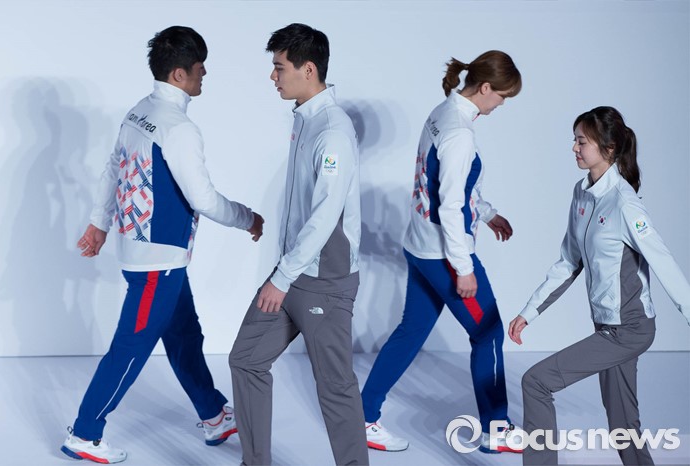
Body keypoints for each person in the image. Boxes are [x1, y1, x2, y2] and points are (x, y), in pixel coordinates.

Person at [61, 26, 264, 464]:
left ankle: (214, 415)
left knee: (186, 336)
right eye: (199, 67)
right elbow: (204, 199)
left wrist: (99, 223)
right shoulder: (179, 128)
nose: (205, 73)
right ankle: (85, 433)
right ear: (178, 74)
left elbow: (113, 168)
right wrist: (248, 217)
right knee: (131, 348)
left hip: (153, 255)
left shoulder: (140, 111)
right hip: (158, 262)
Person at [360, 51, 523, 454]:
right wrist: (463, 267)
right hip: (444, 254)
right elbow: (449, 205)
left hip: (420, 246)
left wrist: (487, 213)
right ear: (486, 87)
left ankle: (361, 416)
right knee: (488, 333)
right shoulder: (459, 133)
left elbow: (443, 185)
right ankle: (496, 430)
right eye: (502, 97)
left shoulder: (443, 112)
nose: (501, 105)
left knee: (410, 332)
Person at [508, 106, 690, 465]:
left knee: (536, 381)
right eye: (574, 140)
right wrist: (529, 312)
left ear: (608, 148)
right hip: (607, 325)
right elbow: (569, 261)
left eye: (581, 142)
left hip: (630, 329)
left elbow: (663, 261)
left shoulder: (625, 203)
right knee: (623, 424)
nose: (574, 148)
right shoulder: (582, 193)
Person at [228, 23, 368, 466]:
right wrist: (285, 272)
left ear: (308, 69)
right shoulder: (305, 118)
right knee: (246, 359)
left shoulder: (333, 131)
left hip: (324, 282)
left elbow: (325, 216)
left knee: (335, 386)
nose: (273, 76)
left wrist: (282, 276)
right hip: (292, 272)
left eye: (279, 67)